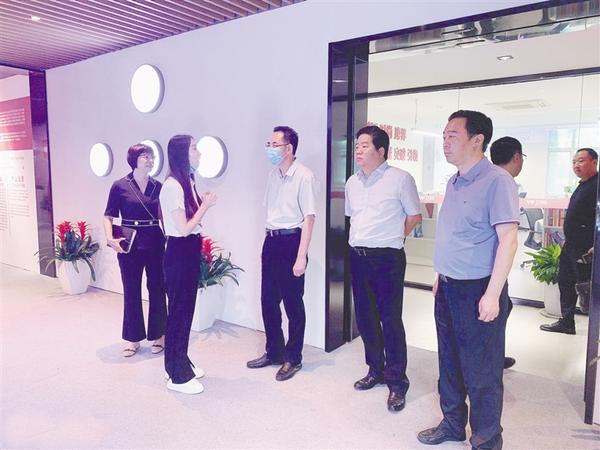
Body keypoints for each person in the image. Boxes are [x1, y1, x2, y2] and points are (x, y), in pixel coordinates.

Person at [418, 110, 519, 450]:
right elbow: (454, 234)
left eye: (453, 136)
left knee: (482, 370)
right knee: (449, 360)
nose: (445, 142)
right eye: (444, 136)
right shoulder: (454, 180)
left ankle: (487, 439)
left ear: (477, 140)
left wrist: (492, 294)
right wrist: (440, 274)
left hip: (478, 289)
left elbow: (508, 240)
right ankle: (452, 424)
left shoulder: (497, 181)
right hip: (448, 286)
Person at [344, 125, 421, 412]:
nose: (358, 150)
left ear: (381, 150)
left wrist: (394, 238)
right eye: (357, 145)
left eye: (364, 145)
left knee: (390, 320)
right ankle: (375, 369)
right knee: (365, 318)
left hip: (387, 258)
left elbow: (414, 215)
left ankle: (397, 382)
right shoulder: (352, 182)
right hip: (358, 256)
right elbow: (353, 217)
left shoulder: (400, 179)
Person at [246, 126, 316, 382]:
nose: (270, 149)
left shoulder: (304, 176)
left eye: (274, 144)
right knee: (268, 301)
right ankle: (274, 351)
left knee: (293, 304)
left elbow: (309, 218)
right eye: (269, 144)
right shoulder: (273, 175)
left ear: (289, 148)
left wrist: (301, 256)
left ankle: (293, 357)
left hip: (291, 242)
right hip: (272, 241)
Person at [159, 134, 217, 394]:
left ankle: (178, 362)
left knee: (184, 311)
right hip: (179, 250)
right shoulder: (173, 186)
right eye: (194, 148)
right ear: (182, 153)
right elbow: (183, 228)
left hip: (188, 250)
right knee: (179, 312)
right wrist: (205, 206)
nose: (199, 153)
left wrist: (200, 203)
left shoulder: (187, 182)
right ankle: (177, 375)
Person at [103, 143, 167, 358]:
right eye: (145, 156)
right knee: (131, 289)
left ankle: (159, 335)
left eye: (152, 157)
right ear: (134, 160)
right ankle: (133, 339)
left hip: (155, 240)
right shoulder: (120, 186)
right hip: (129, 242)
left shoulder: (158, 186)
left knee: (157, 288)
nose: (150, 160)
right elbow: (108, 215)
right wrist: (110, 238)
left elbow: (164, 216)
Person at [540, 148, 598, 335]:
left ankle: (594, 333)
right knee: (565, 283)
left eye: (581, 161)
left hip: (587, 249)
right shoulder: (583, 185)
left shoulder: (597, 185)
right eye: (574, 162)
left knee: (588, 289)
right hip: (571, 246)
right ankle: (567, 322)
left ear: (594, 162)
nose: (576, 165)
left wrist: (595, 246)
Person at [490, 136, 525, 370]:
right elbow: (508, 240)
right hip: (490, 264)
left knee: (503, 307)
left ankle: (494, 356)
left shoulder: (485, 178)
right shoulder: (504, 182)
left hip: (480, 264)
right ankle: (491, 360)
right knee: (496, 310)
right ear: (516, 157)